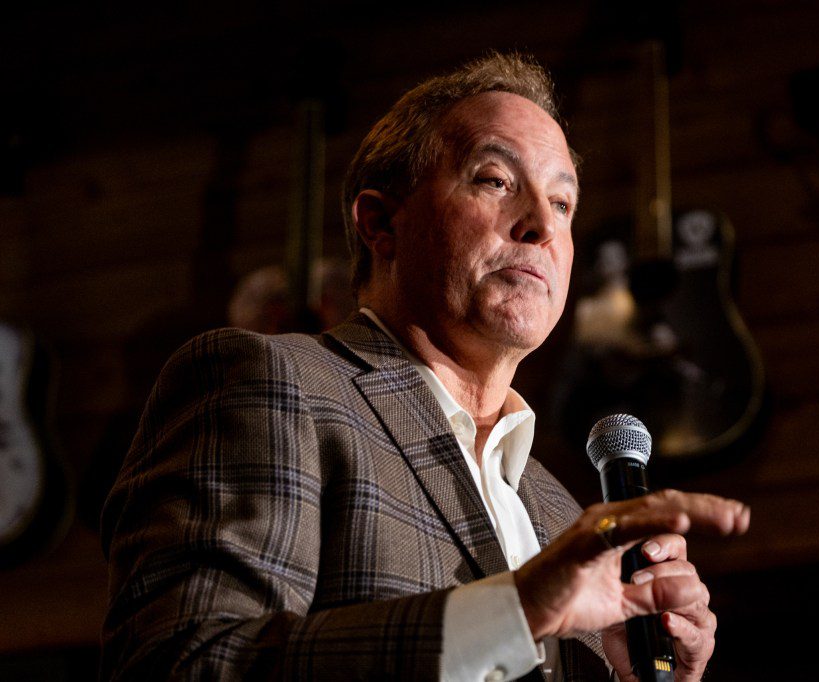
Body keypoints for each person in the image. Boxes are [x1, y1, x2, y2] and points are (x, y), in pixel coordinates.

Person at [101, 52, 750, 681]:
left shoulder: (556, 512)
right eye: (495, 181)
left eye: (561, 204)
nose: (539, 227)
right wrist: (516, 611)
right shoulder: (269, 382)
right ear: (380, 223)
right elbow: (181, 664)